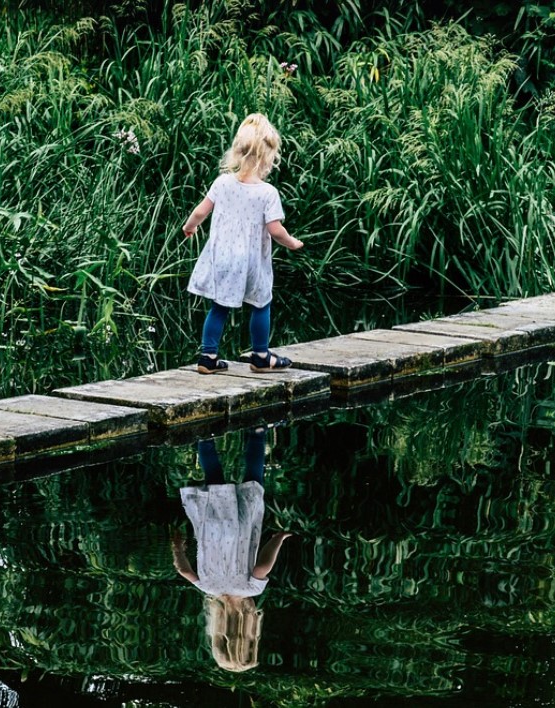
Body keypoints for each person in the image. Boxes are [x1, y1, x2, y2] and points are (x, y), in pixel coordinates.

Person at [182, 113, 304, 375]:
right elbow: (275, 229)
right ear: (266, 156)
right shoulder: (267, 192)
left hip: (222, 257)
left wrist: (190, 226)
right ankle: (261, 355)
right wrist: (292, 242)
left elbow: (201, 211)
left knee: (219, 306)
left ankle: (208, 356)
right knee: (261, 302)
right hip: (251, 260)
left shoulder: (222, 182)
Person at [171, 426, 292, 672]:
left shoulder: (251, 589)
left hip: (242, 527)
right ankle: (205, 435)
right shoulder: (208, 587)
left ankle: (258, 431)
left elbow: (262, 566)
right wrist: (177, 546)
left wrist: (278, 538)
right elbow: (184, 571)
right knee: (213, 474)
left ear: (251, 632)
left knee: (253, 479)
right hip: (214, 527)